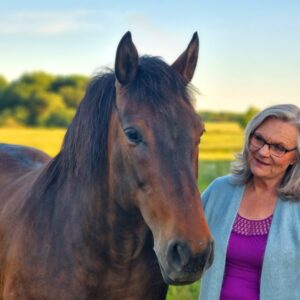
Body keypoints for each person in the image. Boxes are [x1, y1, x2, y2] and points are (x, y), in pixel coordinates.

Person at [199, 104, 300, 300]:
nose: (263, 152)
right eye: (259, 138)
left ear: (295, 158)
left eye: (279, 147)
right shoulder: (219, 191)